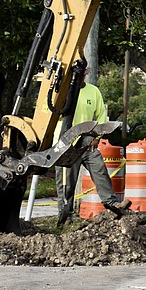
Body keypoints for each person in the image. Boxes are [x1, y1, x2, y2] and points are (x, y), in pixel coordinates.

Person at [55, 76, 131, 226]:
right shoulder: (61, 92)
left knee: (100, 169)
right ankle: (65, 214)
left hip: (87, 140)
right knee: (67, 181)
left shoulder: (93, 91)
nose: (80, 76)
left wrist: (98, 136)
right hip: (66, 142)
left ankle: (112, 204)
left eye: (82, 73)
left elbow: (102, 116)